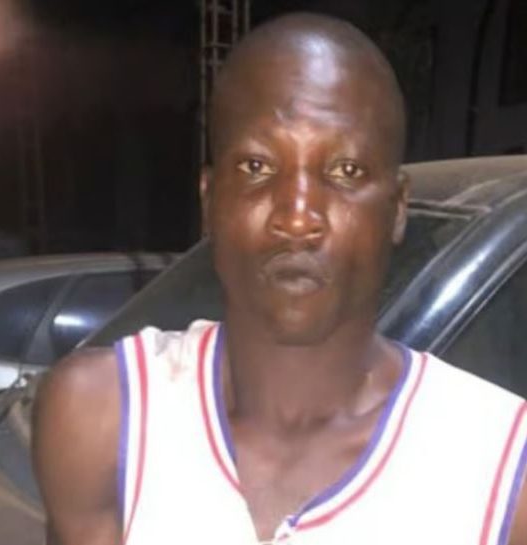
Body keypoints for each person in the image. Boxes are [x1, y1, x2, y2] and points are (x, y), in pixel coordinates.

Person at [32, 12, 527, 545]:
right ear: (210, 201)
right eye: (257, 167)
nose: (296, 216)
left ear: (397, 208)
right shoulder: (103, 418)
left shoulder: (502, 470)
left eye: (345, 171)